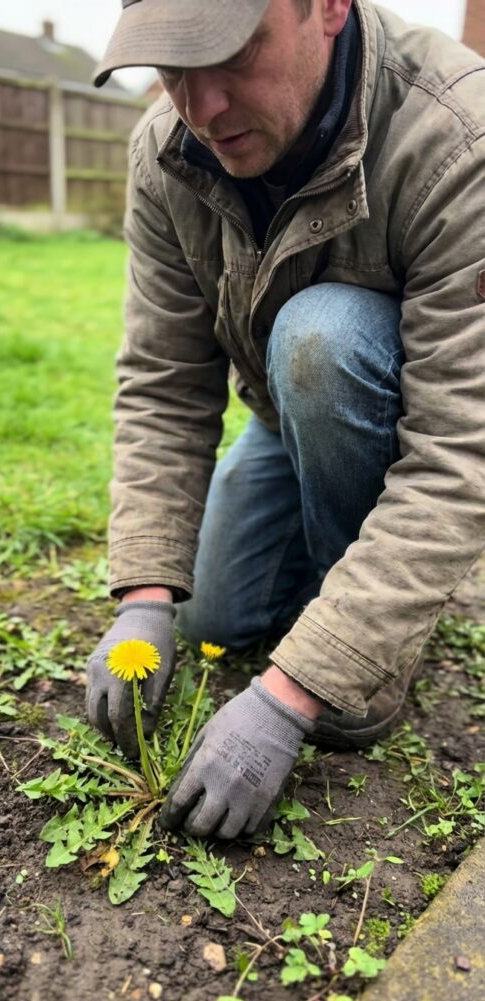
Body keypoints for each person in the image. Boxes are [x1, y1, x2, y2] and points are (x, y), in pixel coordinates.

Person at [86, 0, 485, 840]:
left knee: (321, 338)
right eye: (172, 69)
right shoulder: (166, 154)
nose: (201, 108)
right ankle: (343, 556)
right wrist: (144, 594)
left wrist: (297, 690)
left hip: (395, 409)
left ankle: (367, 639)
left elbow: (460, 451)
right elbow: (164, 384)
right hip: (283, 413)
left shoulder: (457, 138)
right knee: (212, 619)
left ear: (329, 6)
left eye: (231, 54)